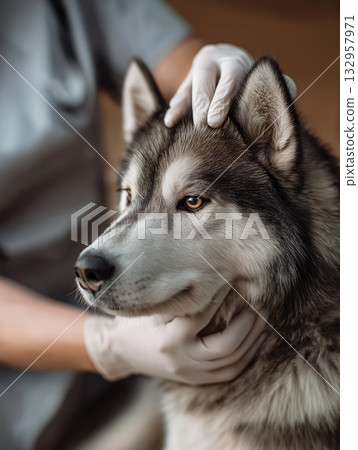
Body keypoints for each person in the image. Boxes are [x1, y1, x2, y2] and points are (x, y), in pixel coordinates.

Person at [0, 1, 295, 448]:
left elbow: (190, 82)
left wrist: (222, 79)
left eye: (192, 200)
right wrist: (110, 344)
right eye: (130, 198)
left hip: (129, 371)